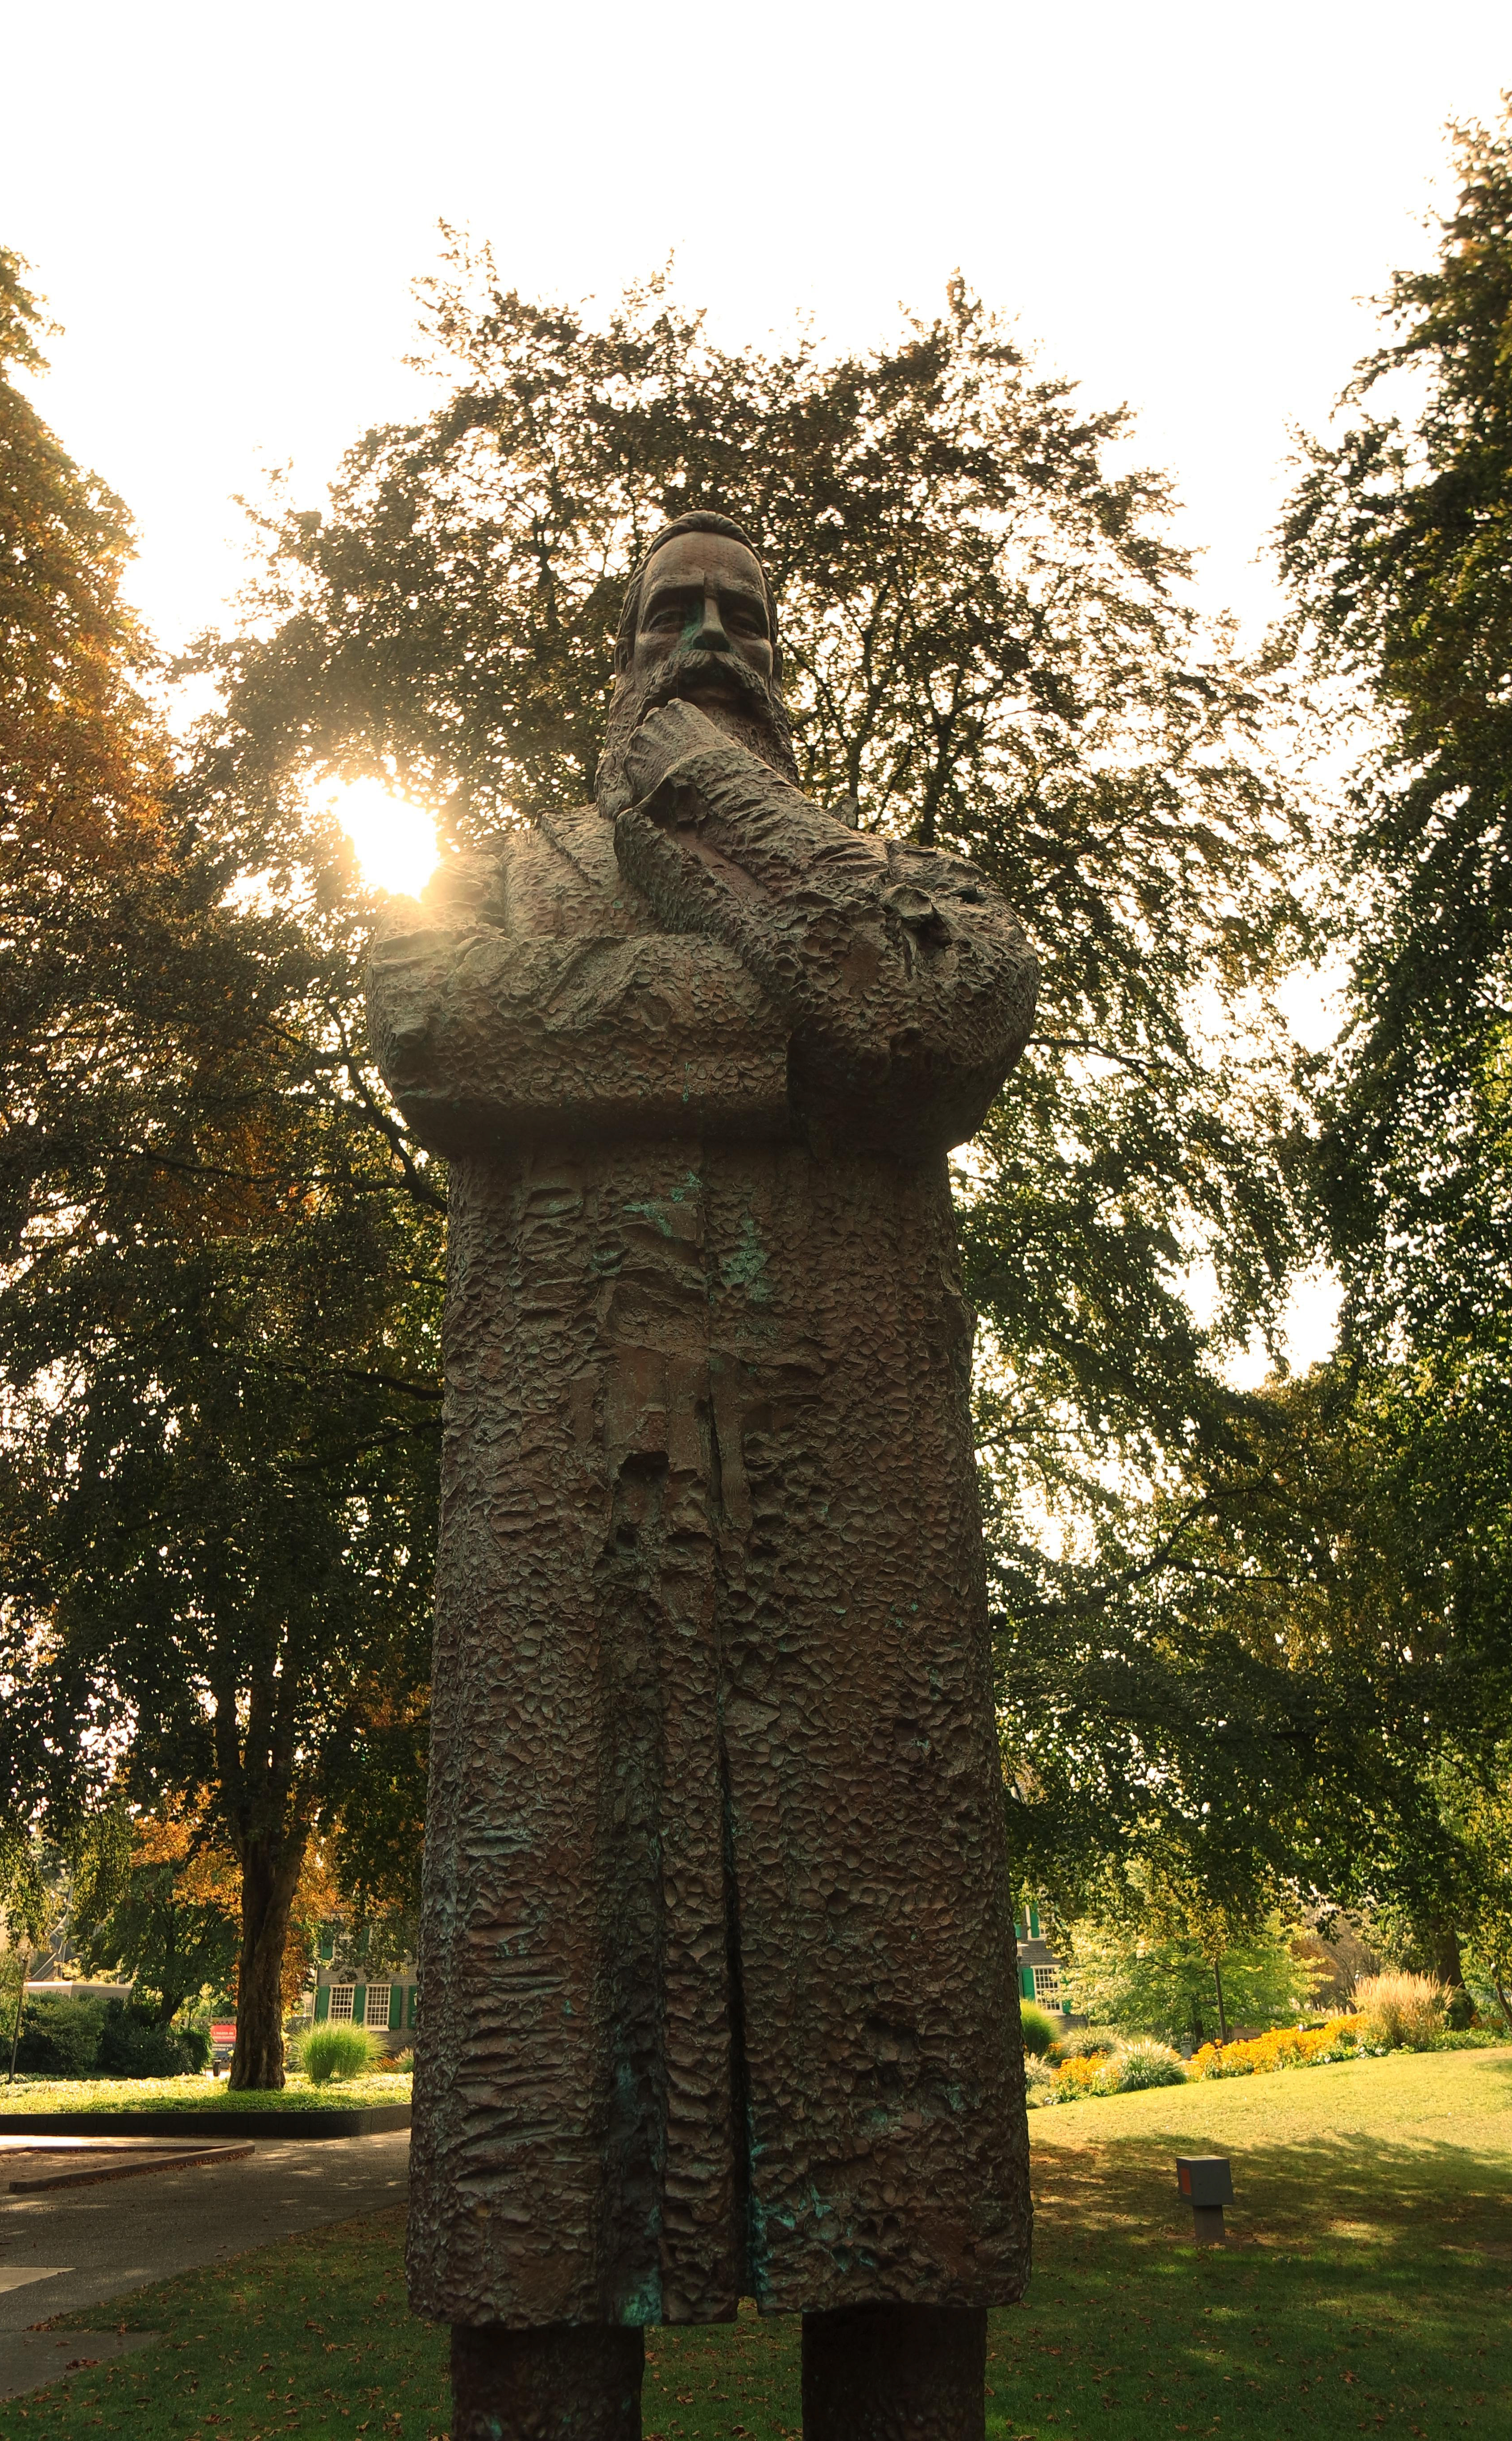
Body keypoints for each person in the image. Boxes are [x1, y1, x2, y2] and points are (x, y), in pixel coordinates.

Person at [368, 510, 1039, 2440]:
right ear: (616, 652)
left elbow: (930, 999)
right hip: (563, 1552)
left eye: (746, 616)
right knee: (542, 2150)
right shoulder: (501, 875)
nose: (714, 636)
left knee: (900, 2162)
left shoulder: (877, 884)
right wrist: (807, 1044)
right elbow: (430, 1025)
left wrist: (708, 804)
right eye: (676, 616)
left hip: (857, 1574)